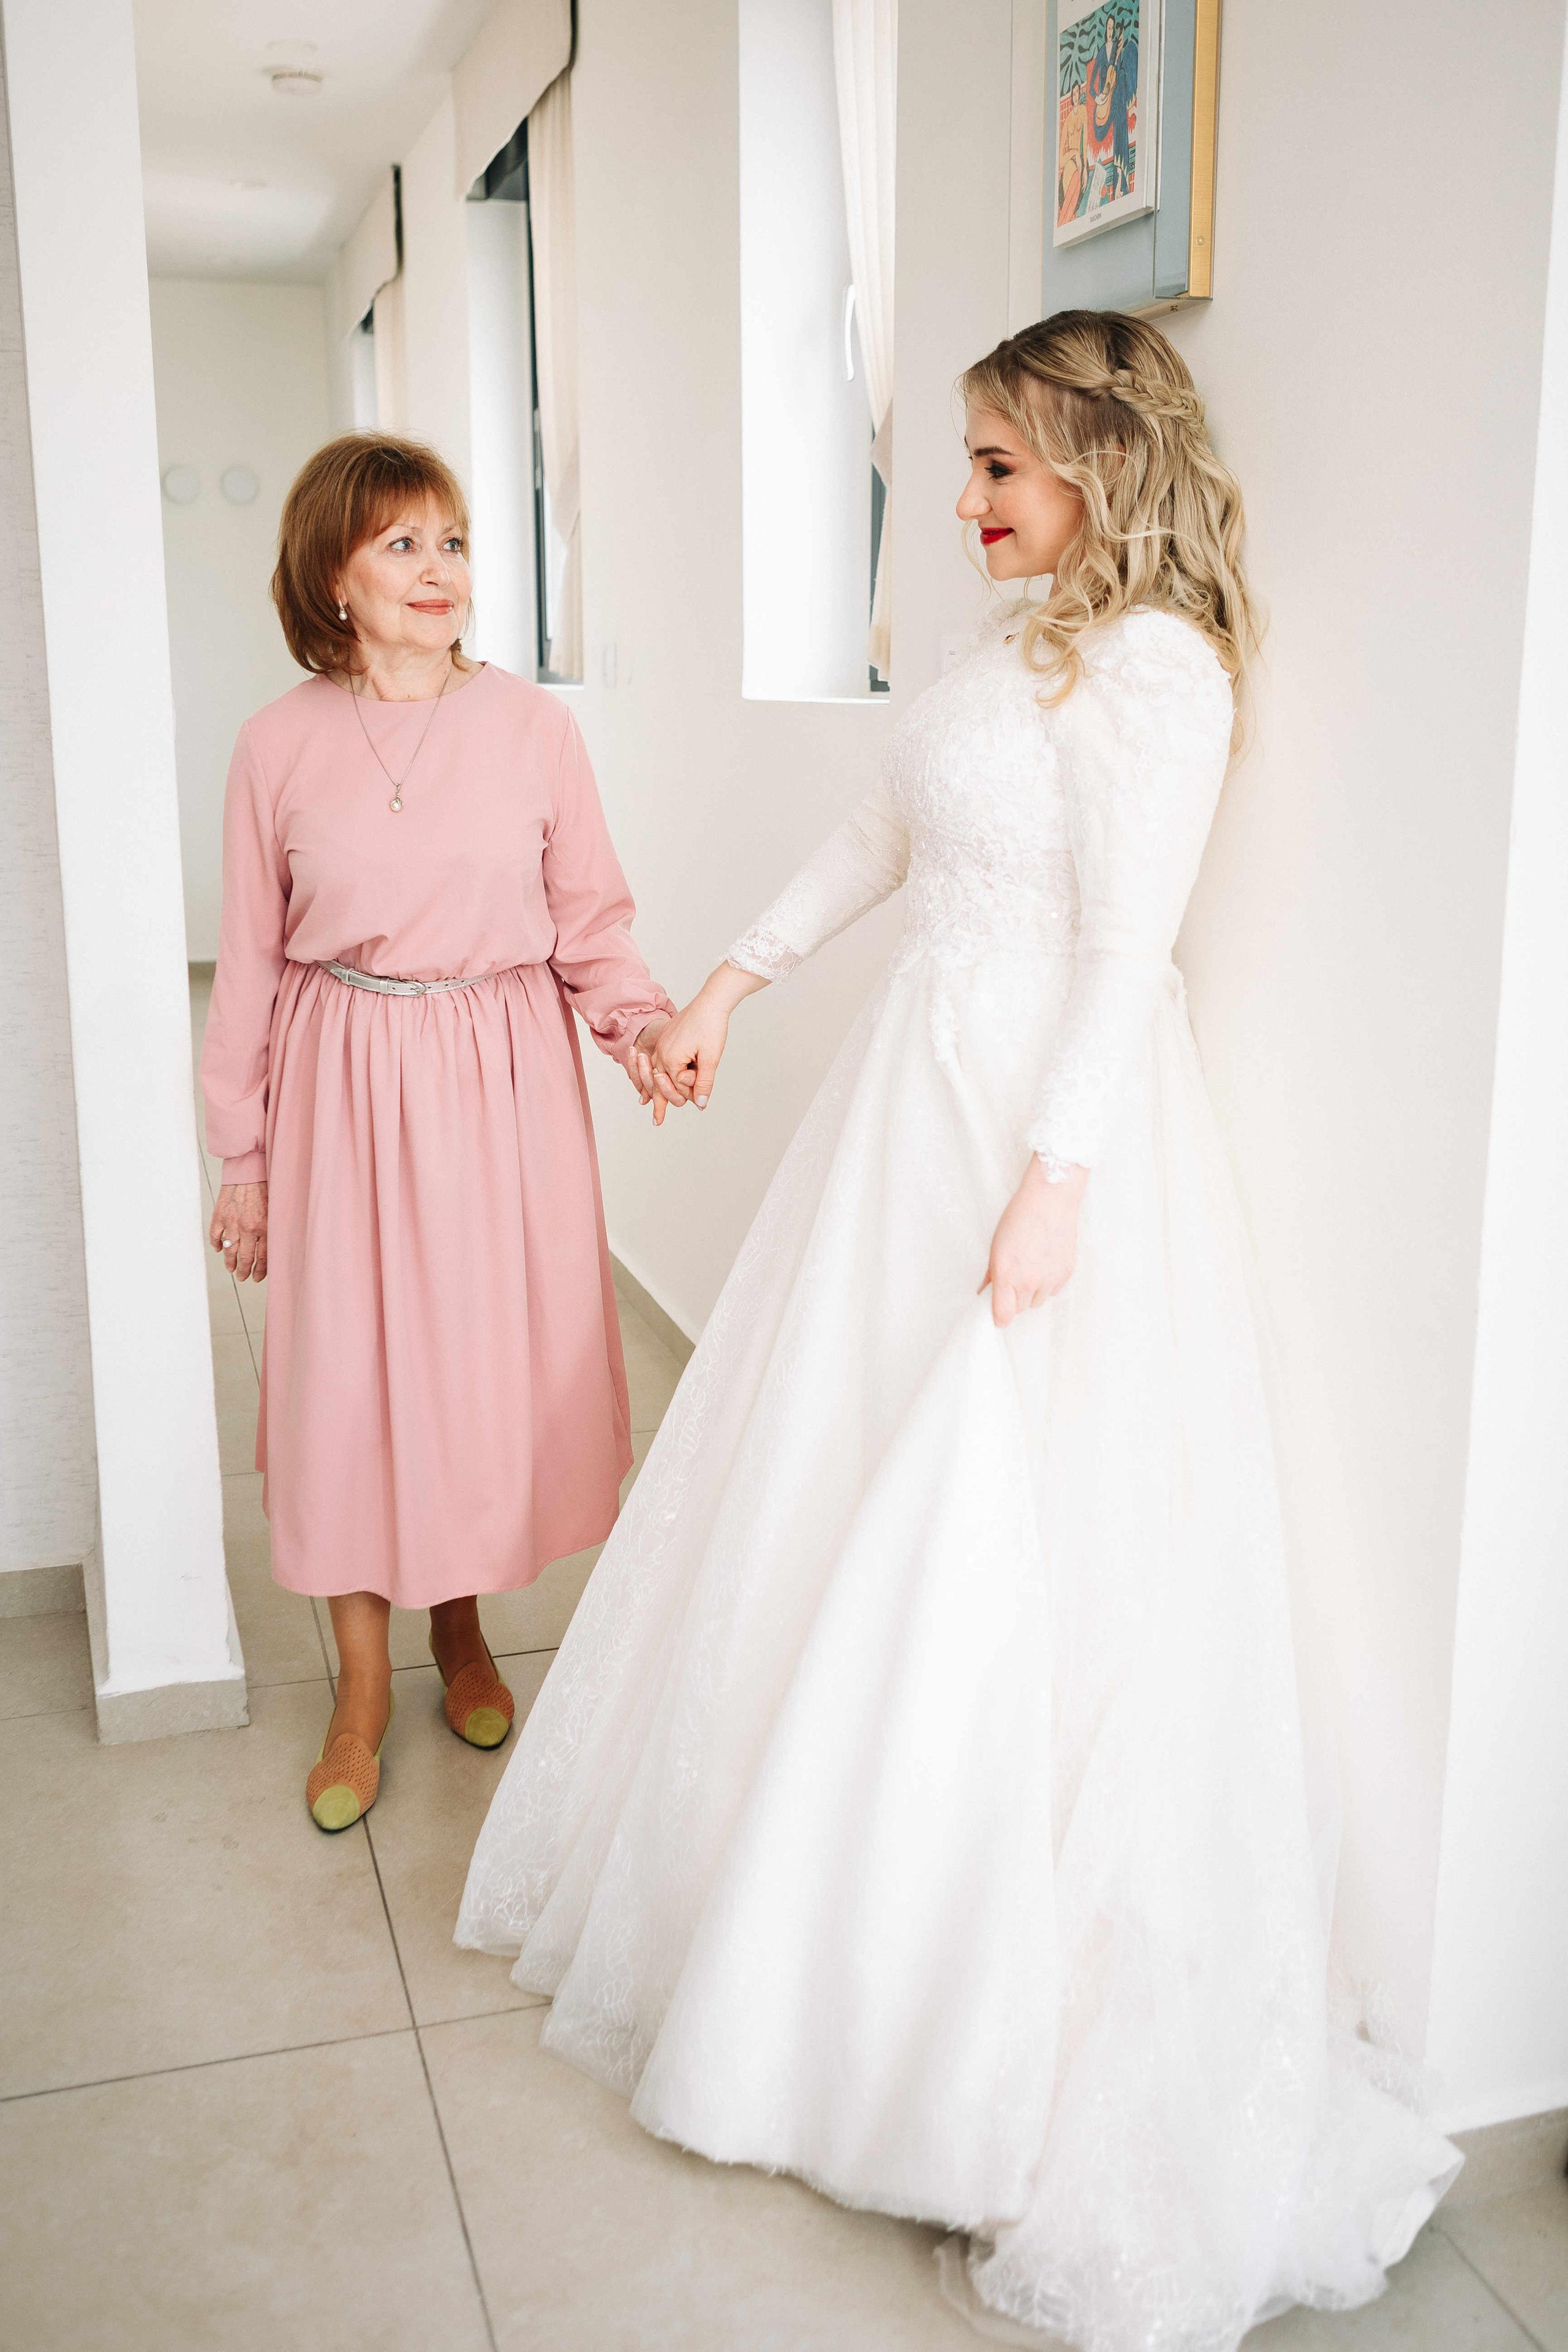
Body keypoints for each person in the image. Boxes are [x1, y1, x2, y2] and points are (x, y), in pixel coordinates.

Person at [457, 313, 1461, 2347]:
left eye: (999, 459)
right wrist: (733, 985)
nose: (968, 495)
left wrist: (1059, 1177)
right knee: (825, 1488)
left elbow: (1124, 946)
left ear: (1101, 457)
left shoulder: (1163, 670)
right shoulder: (1000, 656)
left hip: (1038, 1127)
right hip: (903, 1113)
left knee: (1000, 1536)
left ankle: (954, 2020)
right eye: (966, 458)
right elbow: (885, 839)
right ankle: (794, 1940)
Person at [201, 432, 675, 1831]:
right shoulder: (275, 745)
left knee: (466, 1376)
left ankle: (458, 1631)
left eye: (455, 541)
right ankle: (357, 1688)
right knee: (347, 1383)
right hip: (344, 1078)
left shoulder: (533, 729)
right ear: (331, 574)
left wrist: (642, 1035)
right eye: (401, 543)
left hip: (502, 1080)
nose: (438, 570)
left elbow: (590, 925)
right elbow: (249, 964)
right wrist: (245, 1156)